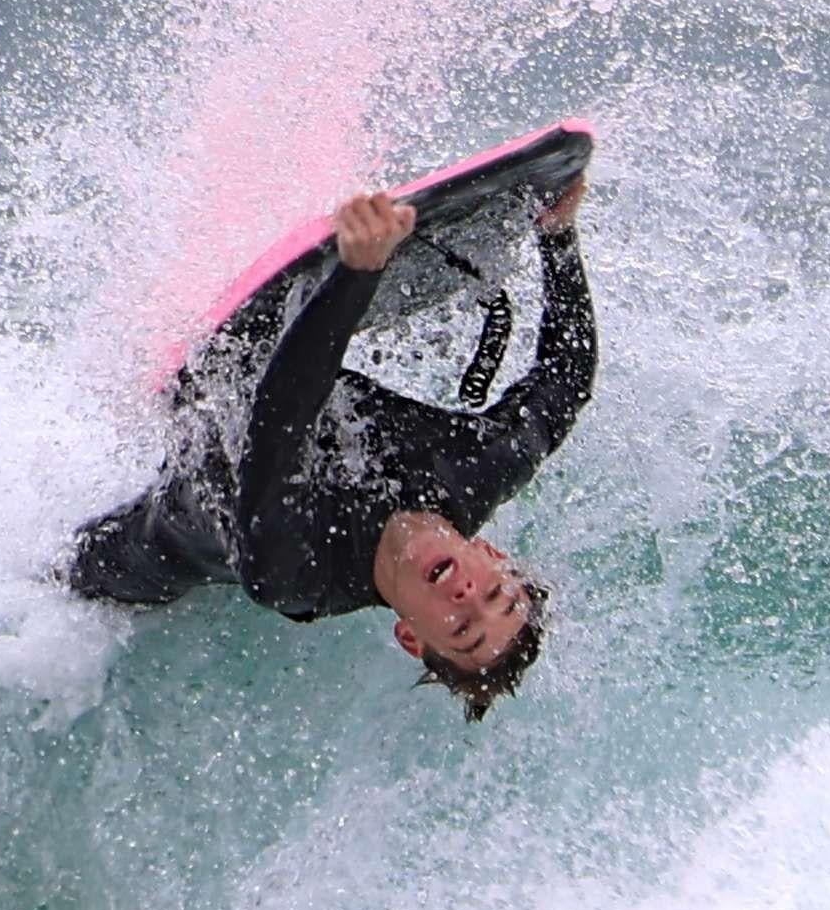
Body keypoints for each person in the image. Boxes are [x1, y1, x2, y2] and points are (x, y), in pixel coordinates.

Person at [64, 174, 597, 719]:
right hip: (253, 380)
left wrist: (358, 273)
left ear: (412, 638)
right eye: (492, 596)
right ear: (492, 557)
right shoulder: (471, 470)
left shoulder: (299, 573)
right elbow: (566, 382)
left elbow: (278, 420)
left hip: (151, 545)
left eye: (461, 629)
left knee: (64, 570)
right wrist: (556, 237)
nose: (466, 598)